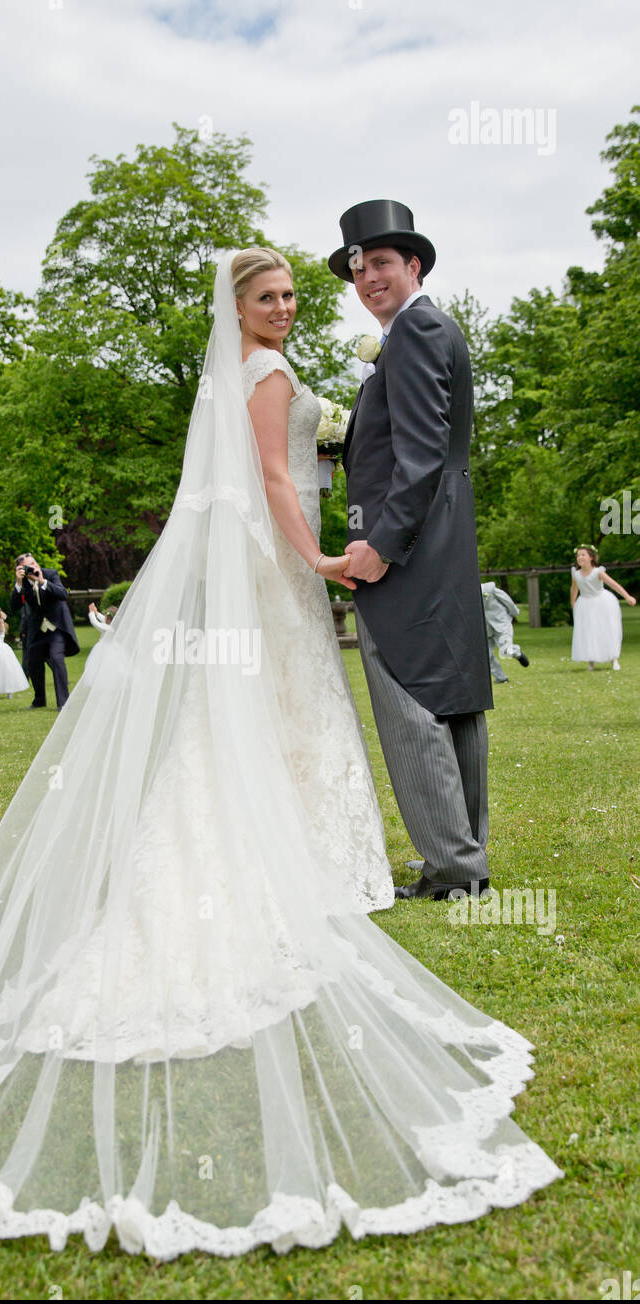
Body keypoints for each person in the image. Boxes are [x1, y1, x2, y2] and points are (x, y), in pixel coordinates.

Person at [0, 249, 561, 1260]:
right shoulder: (266, 377)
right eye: (267, 297)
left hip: (248, 565)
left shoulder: (229, 376)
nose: (283, 308)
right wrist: (319, 559)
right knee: (278, 711)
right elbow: (276, 480)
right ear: (236, 308)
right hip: (274, 564)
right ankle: (292, 858)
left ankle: (274, 846)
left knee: (243, 719)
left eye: (287, 296)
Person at [333, 200, 492, 902]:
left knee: (410, 702)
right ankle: (461, 861)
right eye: (359, 270)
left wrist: (381, 548)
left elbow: (423, 457)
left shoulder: (417, 330)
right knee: (450, 699)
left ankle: (455, 870)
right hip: (443, 538)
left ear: (414, 265)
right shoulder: (422, 330)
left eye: (381, 265)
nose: (368, 279)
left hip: (411, 547)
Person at [9, 553, 79, 709]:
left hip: (56, 626)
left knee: (56, 658)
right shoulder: (22, 582)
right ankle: (39, 700)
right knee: (33, 661)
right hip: (37, 628)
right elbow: (14, 606)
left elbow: (63, 594)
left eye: (34, 563)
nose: (33, 567)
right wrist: (19, 583)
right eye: (28, 566)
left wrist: (42, 582)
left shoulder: (50, 574)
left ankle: (63, 702)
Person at [570, 545, 636, 670]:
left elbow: (613, 584)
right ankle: (591, 661)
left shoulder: (598, 572)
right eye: (578, 555)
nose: (580, 557)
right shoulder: (576, 574)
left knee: (606, 629)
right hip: (585, 604)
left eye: (583, 554)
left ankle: (614, 659)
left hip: (602, 602)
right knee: (588, 632)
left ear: (591, 557)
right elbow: (574, 589)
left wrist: (627, 597)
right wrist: (573, 604)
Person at [481, 582, 530, 683]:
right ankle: (501, 678)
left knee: (505, 649)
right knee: (485, 655)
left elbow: (505, 599)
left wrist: (514, 612)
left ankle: (518, 653)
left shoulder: (489, 589)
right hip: (486, 628)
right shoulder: (466, 597)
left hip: (501, 623)